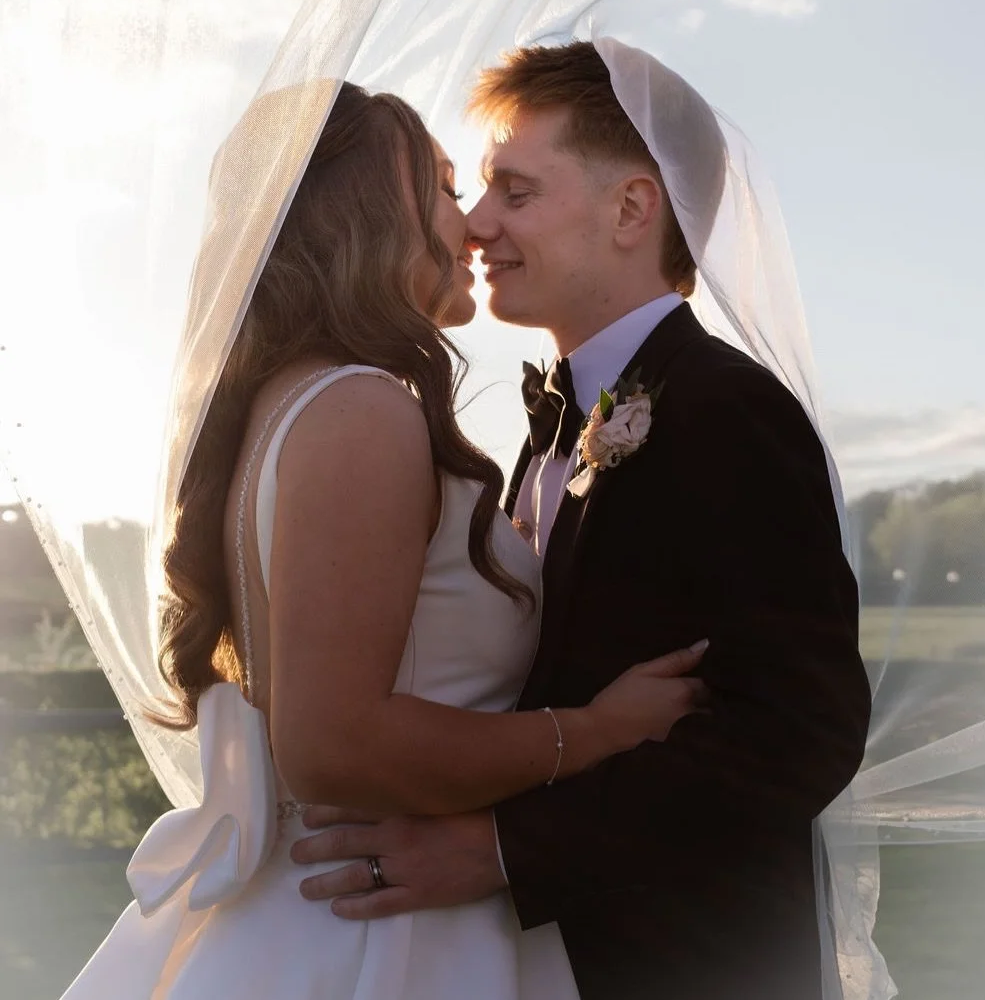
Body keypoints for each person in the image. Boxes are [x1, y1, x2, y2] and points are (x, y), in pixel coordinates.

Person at [59, 80, 708, 1000]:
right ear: (366, 207)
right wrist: (594, 732)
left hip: (337, 903)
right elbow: (331, 743)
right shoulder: (359, 407)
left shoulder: (292, 397)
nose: (471, 224)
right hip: (382, 939)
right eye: (446, 187)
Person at [293, 41, 873, 1000]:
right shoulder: (552, 422)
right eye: (479, 192)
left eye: (515, 192)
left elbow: (800, 729)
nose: (475, 225)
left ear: (632, 209)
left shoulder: (727, 408)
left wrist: (503, 849)